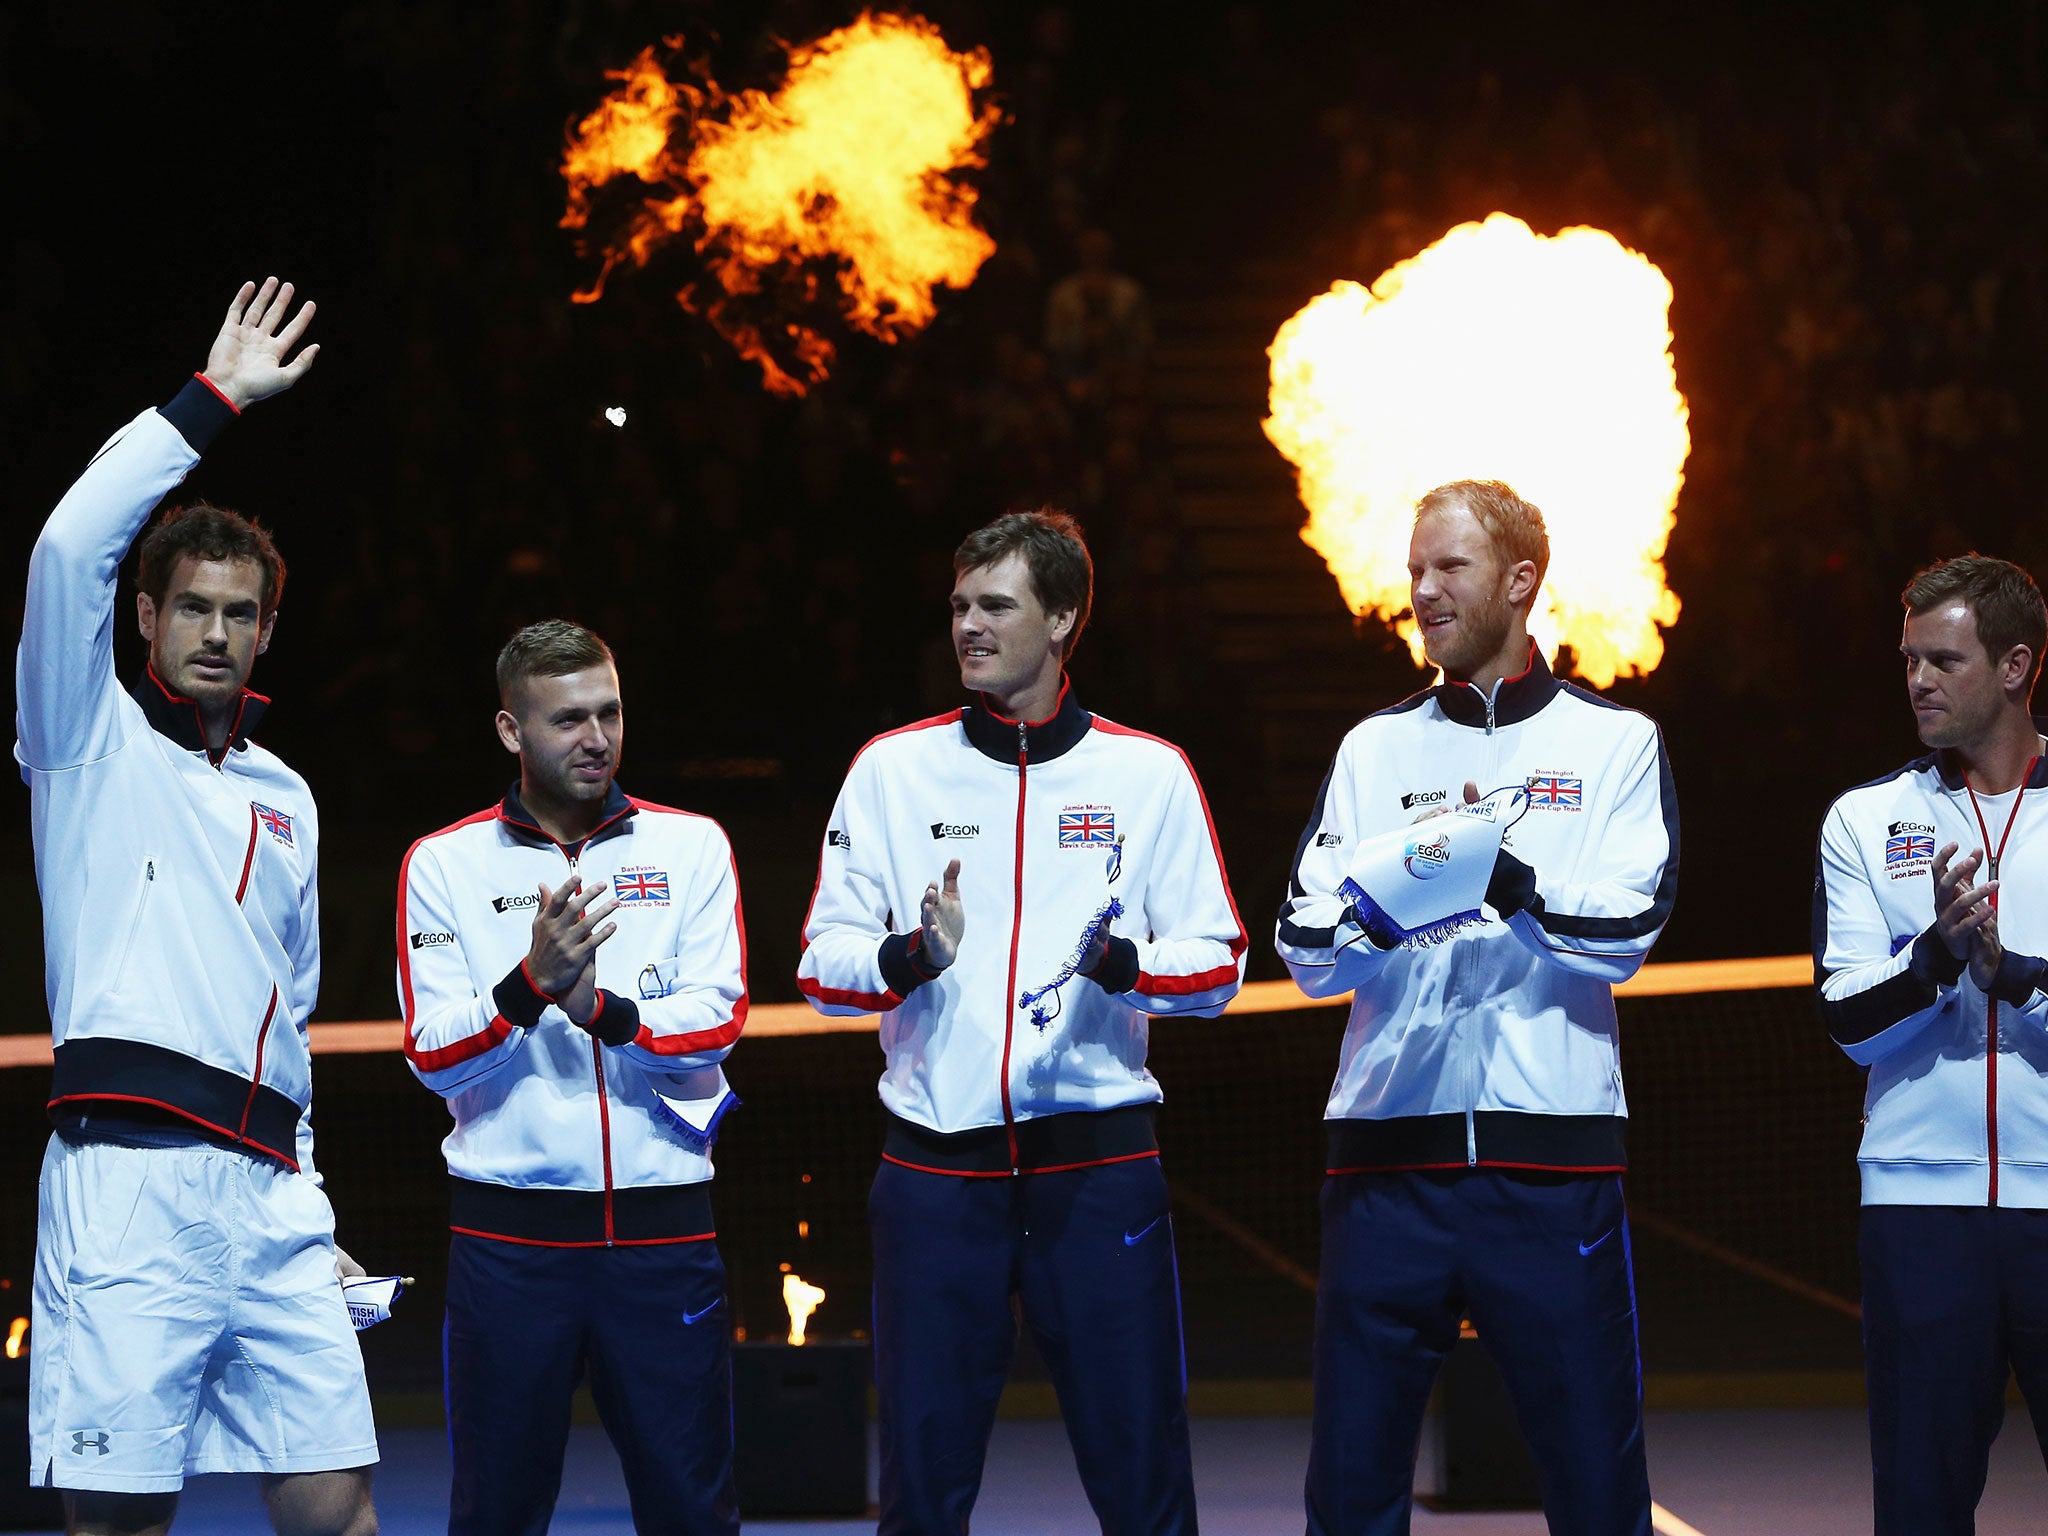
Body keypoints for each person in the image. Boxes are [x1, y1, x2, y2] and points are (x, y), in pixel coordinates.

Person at [799, 509, 1245, 1536]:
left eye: (994, 604)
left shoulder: (1148, 774)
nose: (967, 625)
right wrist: (911, 958)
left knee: (1142, 1475)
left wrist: (1122, 967)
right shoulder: (889, 770)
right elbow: (822, 963)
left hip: (1095, 1173)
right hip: (932, 1177)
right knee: (921, 1475)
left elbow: (1216, 961)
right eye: (958, 604)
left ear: (1061, 618)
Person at [17, 280, 378, 1535]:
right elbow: (67, 549)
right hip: (128, 1187)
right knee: (116, 1524)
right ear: (145, 619)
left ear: (268, 631)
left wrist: (313, 1193)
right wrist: (209, 402)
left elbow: (294, 1007)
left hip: (275, 1194)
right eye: (192, 609)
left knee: (339, 1514)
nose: (215, 633)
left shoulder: (291, 794)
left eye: (241, 613)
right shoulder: (85, 741)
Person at [1276, 479, 1678, 1536]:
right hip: (1380, 1169)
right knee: (1350, 1491)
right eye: (1414, 568)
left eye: (1447, 567)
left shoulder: (1615, 742)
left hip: (1550, 1174)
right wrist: (1403, 892)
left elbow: (1625, 932)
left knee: (1593, 1482)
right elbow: (1303, 944)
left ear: (1519, 580)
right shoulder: (1373, 747)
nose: (1421, 589)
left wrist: (1510, 886)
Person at [398, 620, 746, 1536]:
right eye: (567, 720)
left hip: (665, 1235)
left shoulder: (694, 845)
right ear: (512, 731)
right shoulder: (443, 864)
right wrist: (527, 988)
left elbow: (718, 1023)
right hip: (508, 1248)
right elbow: (432, 1055)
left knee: (694, 1510)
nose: (596, 738)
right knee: (497, 1514)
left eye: (610, 713)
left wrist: (600, 1010)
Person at [1814, 555, 2048, 1534]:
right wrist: (1936, 962)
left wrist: (2012, 977)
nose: (1915, 680)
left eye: (1941, 660)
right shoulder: (1863, 821)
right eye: (1908, 659)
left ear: (2013, 667)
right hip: (1917, 1212)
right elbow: (1847, 1023)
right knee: (1916, 1504)